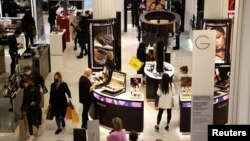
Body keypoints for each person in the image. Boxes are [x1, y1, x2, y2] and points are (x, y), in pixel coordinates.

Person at [20, 65, 46, 131]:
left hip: (35, 92)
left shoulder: (35, 74)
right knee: (29, 109)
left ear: (30, 69)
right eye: (25, 71)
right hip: (27, 94)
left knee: (38, 107)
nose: (27, 72)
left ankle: (39, 121)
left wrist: (39, 86)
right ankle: (31, 128)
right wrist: (24, 84)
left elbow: (41, 80)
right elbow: (21, 84)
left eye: (27, 70)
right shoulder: (24, 76)